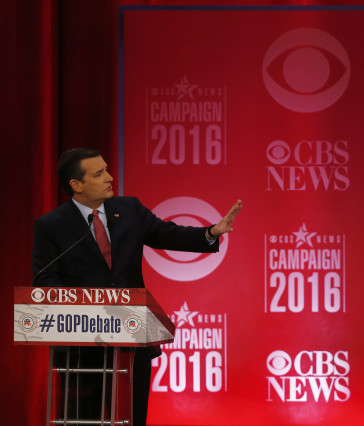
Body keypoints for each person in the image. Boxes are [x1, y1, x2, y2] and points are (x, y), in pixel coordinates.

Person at [32, 148, 242, 425]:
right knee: (84, 419)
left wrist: (211, 232)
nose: (109, 177)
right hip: (81, 346)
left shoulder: (128, 209)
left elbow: (169, 234)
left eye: (107, 169)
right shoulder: (51, 225)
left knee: (132, 417)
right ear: (76, 185)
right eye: (99, 173)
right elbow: (45, 280)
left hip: (133, 336)